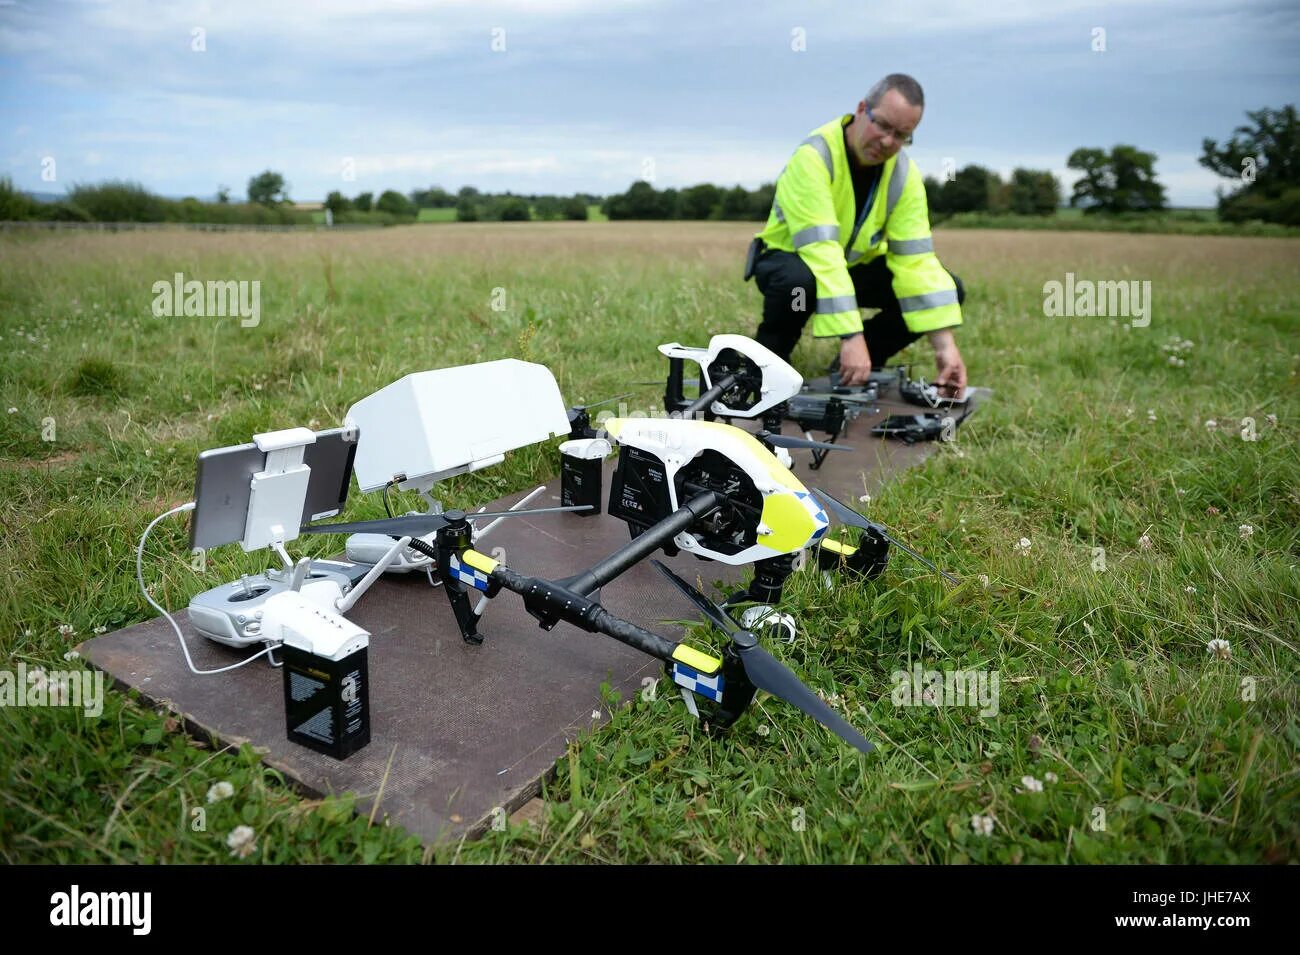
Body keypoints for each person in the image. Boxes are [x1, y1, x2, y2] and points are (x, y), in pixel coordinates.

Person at [745, 74, 968, 394]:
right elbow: (821, 251)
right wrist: (851, 336)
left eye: (902, 136)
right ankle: (765, 368)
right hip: (791, 260)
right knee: (800, 284)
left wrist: (944, 347)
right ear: (862, 109)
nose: (889, 142)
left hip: (851, 269)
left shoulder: (904, 175)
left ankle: (856, 366)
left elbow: (916, 262)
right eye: (883, 126)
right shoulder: (814, 158)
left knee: (950, 287)